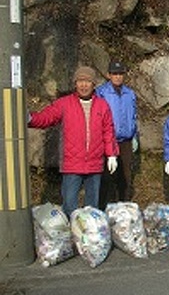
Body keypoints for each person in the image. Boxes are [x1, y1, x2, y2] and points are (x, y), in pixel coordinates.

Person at [28, 66, 119, 218]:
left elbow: (108, 131)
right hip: (72, 165)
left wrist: (111, 154)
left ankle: (89, 238)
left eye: (87, 81)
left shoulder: (102, 106)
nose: (84, 85)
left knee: (92, 208)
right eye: (80, 81)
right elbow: (46, 117)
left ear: (93, 84)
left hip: (95, 165)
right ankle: (71, 236)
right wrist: (30, 118)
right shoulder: (64, 104)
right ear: (75, 84)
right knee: (70, 206)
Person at [96, 60, 138, 208]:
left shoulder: (130, 94)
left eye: (120, 73)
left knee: (125, 177)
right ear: (109, 75)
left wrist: (134, 136)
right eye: (114, 73)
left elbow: (133, 116)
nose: (118, 77)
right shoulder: (101, 93)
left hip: (126, 141)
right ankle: (102, 208)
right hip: (108, 140)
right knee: (106, 176)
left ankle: (124, 208)